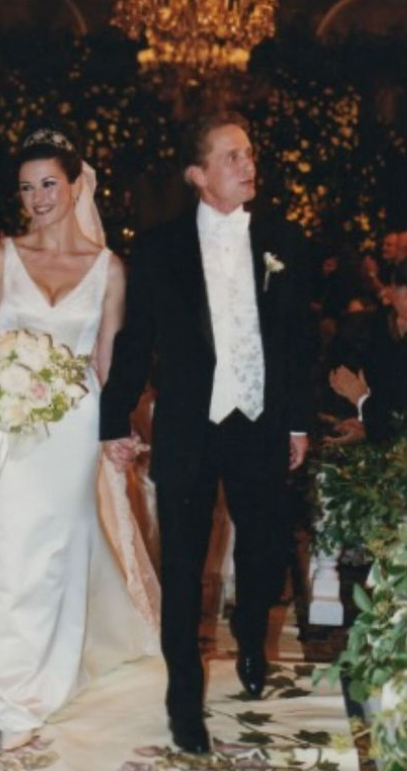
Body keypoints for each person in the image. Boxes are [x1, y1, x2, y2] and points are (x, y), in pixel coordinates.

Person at [100, 111, 312, 755]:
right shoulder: (160, 249)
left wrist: (298, 419)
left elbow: (302, 339)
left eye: (249, 154)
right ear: (198, 175)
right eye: (232, 157)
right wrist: (112, 422)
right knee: (185, 567)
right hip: (192, 427)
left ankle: (251, 640)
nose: (248, 165)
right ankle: (182, 702)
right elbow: (135, 342)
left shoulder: (283, 240)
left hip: (260, 421)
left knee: (263, 550)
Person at [0, 127, 159, 750]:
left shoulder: (110, 269)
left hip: (75, 423)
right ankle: (12, 698)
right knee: (10, 546)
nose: (37, 198)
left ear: (75, 185)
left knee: (61, 550)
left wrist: (113, 430)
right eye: (26, 188)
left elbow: (109, 361)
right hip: (7, 420)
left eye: (48, 184)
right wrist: (11, 376)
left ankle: (54, 675)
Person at [329, 259, 407, 442]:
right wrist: (364, 421)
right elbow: (384, 394)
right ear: (392, 291)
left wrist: (361, 398)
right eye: (401, 299)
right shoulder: (379, 325)